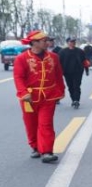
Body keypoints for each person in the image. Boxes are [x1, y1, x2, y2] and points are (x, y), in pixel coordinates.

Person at [13, 30, 65, 163]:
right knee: (31, 123)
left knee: (46, 124)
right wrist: (23, 93)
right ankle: (35, 146)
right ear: (34, 43)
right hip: (29, 97)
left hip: (48, 96)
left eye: (47, 40)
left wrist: (61, 90)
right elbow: (18, 77)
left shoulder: (53, 57)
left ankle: (47, 151)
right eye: (44, 41)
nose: (47, 43)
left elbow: (58, 75)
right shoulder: (22, 58)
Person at [58, 37, 88, 108]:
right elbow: (59, 63)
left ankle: (76, 100)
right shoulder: (62, 52)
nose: (72, 43)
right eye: (71, 42)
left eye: (74, 42)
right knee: (70, 86)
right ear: (67, 43)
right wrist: (59, 73)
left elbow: (84, 61)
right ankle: (73, 99)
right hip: (67, 72)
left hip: (78, 72)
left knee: (76, 86)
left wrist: (86, 70)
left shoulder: (80, 51)